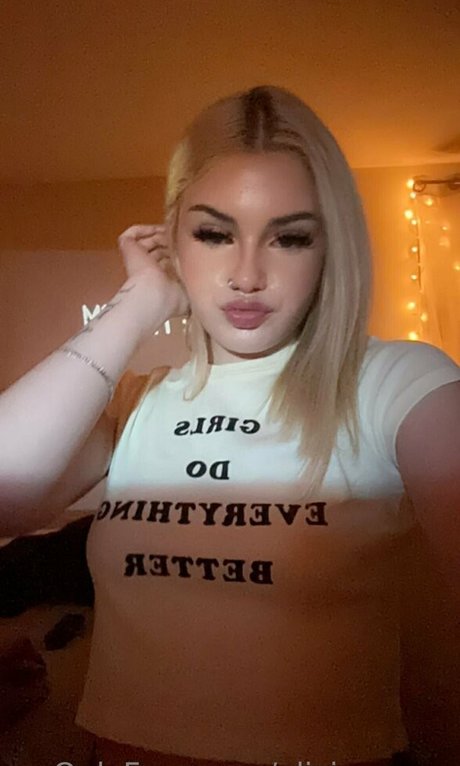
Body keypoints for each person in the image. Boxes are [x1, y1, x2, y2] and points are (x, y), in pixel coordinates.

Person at [0, 86, 459, 766]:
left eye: (290, 237)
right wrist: (138, 304)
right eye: (213, 234)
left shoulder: (397, 383)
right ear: (173, 241)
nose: (247, 275)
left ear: (328, 249)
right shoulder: (136, 402)